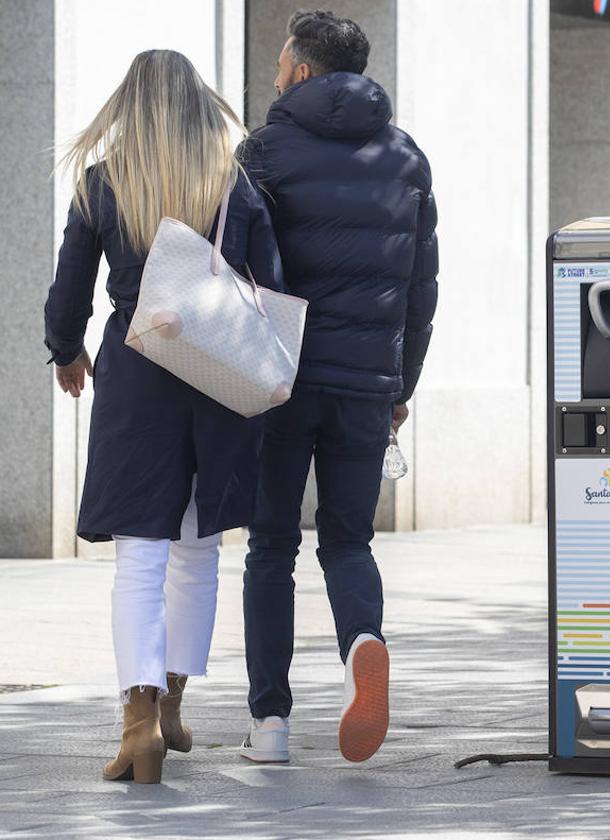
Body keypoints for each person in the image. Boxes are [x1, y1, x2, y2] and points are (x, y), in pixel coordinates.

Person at [43, 50, 285, 784]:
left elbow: (68, 290)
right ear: (197, 105)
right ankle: (174, 700)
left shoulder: (103, 183)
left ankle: (139, 724)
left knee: (139, 560)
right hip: (215, 376)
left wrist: (66, 352)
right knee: (198, 549)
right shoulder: (233, 185)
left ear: (131, 106)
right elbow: (270, 287)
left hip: (138, 373)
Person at [238, 10, 438, 764]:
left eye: (282, 59)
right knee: (348, 540)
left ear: (303, 70)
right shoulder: (405, 157)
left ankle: (271, 725)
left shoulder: (265, 150)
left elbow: (234, 265)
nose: (276, 71)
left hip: (279, 379)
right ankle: (362, 643)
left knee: (271, 547)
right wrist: (399, 385)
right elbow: (423, 287)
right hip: (364, 386)